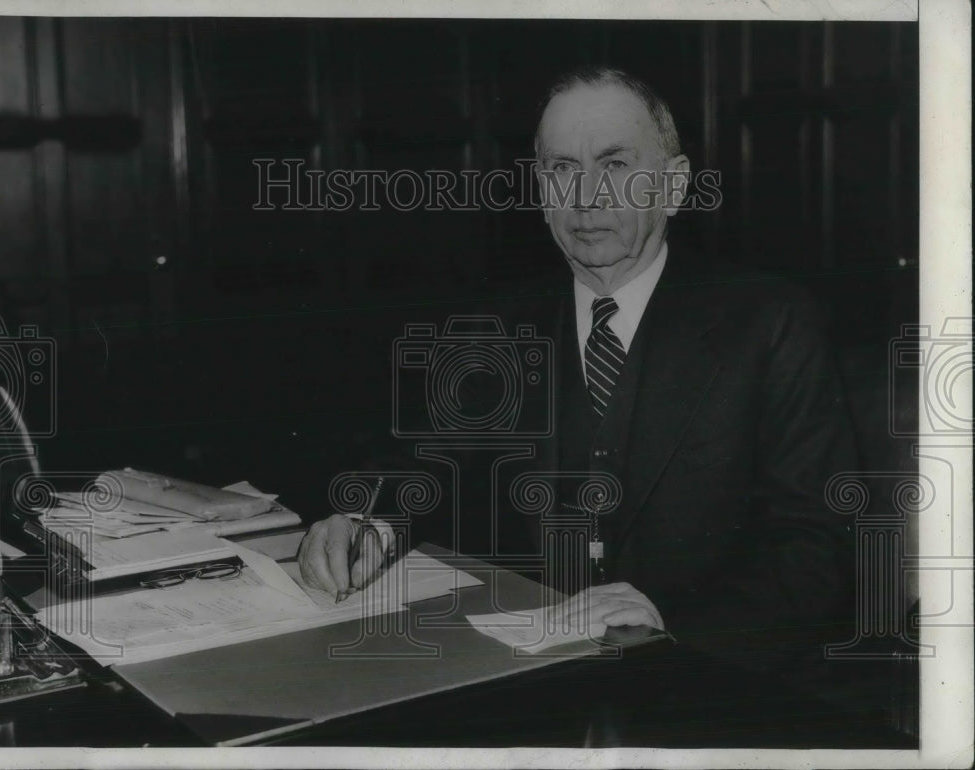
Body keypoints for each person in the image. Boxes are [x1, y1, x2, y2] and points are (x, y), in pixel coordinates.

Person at [299, 66, 857, 675]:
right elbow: (428, 465)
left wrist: (670, 619)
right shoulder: (496, 325)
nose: (586, 196)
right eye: (563, 169)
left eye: (615, 165)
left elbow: (819, 548)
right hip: (520, 674)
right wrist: (367, 525)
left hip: (701, 678)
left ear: (673, 186)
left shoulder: (771, 324)